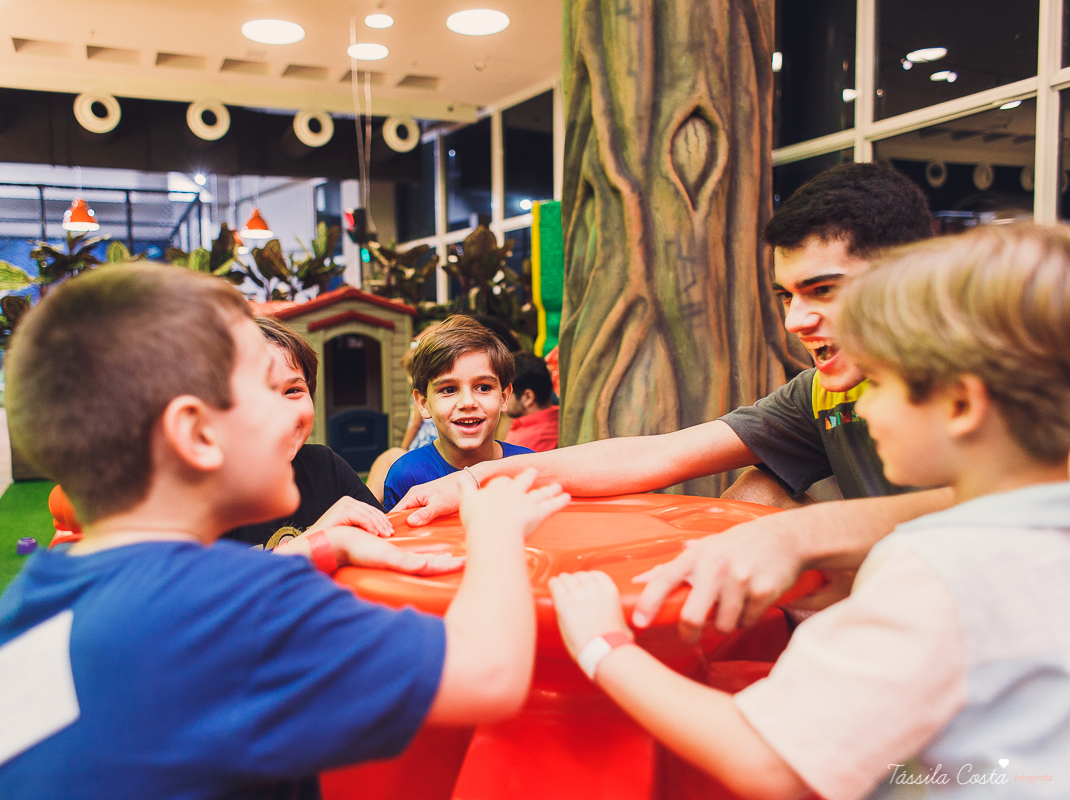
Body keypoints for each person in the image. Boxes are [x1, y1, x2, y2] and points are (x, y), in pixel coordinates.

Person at [0, 265, 569, 799]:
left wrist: (313, 548)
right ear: (197, 434)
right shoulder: (242, 607)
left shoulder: (27, 603)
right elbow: (488, 675)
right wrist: (493, 530)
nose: (297, 414)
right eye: (265, 391)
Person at [547, 222, 1070, 800]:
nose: (862, 407)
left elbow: (770, 762)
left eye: (881, 383)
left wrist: (603, 648)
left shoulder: (930, 568)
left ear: (962, 403)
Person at [391, 163, 954, 640]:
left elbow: (1013, 501)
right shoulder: (821, 390)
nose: (794, 321)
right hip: (894, 619)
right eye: (786, 295)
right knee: (762, 486)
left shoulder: (989, 373)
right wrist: (474, 479)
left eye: (823, 290)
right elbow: (662, 454)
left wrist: (794, 535)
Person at [224, 316, 390, 548]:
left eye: (293, 390)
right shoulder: (207, 495)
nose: (283, 412)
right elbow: (211, 583)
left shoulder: (326, 467)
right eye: (258, 392)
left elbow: (390, 539)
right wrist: (317, 538)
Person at [381, 315, 532, 510]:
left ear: (504, 398)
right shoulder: (407, 475)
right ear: (424, 404)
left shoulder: (528, 468)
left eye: (484, 387)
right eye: (449, 389)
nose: (468, 402)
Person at [504, 352, 559, 452]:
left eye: (507, 394)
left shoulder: (537, 439)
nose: (501, 400)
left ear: (528, 397)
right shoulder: (528, 424)